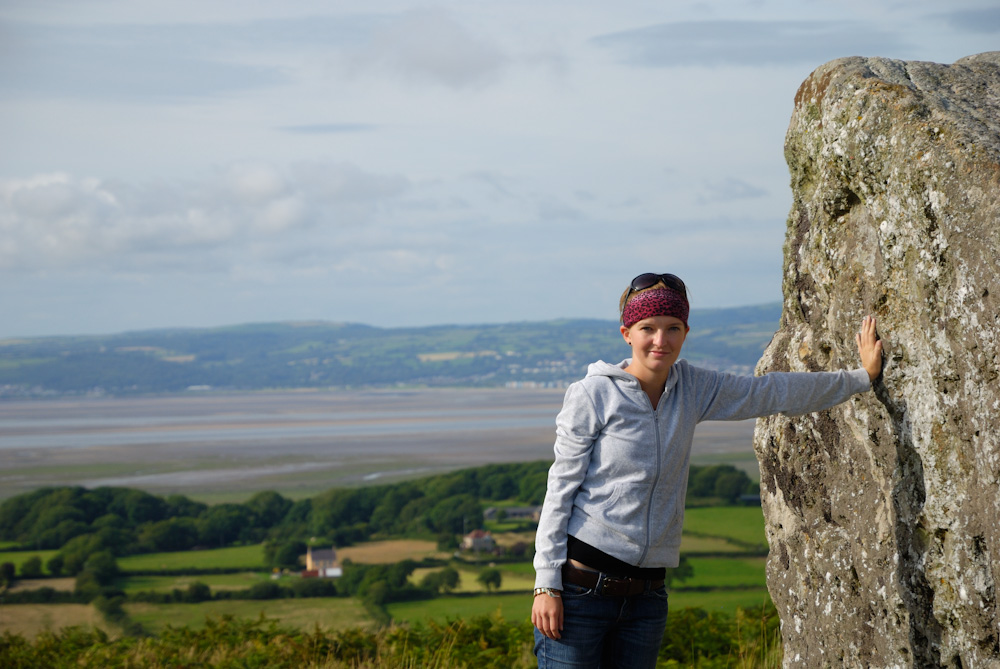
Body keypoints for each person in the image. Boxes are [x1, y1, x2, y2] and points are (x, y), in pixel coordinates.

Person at [531, 272, 884, 668]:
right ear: (626, 333)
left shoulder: (693, 388)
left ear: (685, 332)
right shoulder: (593, 394)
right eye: (647, 328)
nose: (660, 340)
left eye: (672, 328)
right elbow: (560, 489)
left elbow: (772, 392)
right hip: (580, 592)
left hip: (647, 599)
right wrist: (546, 584)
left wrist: (861, 378)